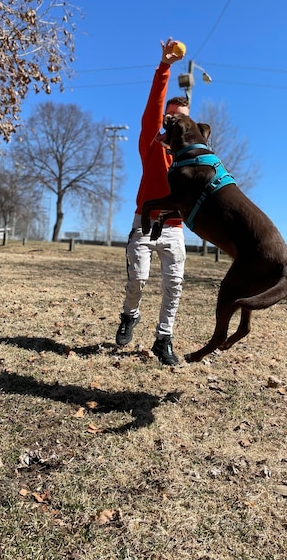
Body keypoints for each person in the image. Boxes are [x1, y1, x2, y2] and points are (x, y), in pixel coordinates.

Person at [115, 38, 189, 365]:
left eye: (181, 118)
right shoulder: (151, 143)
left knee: (174, 285)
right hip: (144, 225)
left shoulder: (190, 155)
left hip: (174, 228)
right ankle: (130, 315)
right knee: (139, 279)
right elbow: (153, 108)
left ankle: (163, 339)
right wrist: (165, 67)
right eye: (171, 118)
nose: (175, 122)